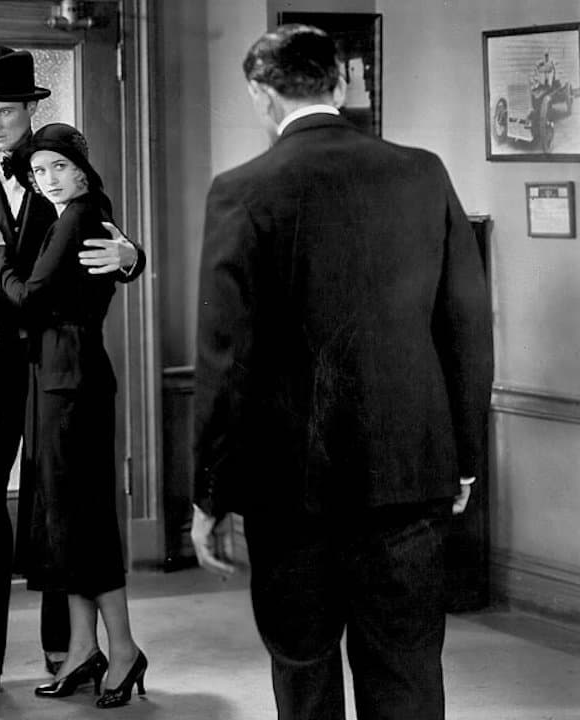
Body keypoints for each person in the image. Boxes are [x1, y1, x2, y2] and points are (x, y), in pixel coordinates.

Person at [191, 25, 492, 720]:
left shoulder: (241, 189)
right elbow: (466, 329)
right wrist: (464, 462)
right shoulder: (423, 173)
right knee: (408, 674)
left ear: (261, 93)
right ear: (342, 81)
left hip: (288, 487)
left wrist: (209, 492)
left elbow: (224, 357)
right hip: (407, 473)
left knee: (304, 675)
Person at [0, 44, 146, 704]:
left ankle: (65, 649)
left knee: (56, 509)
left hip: (54, 372)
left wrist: (131, 256)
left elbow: (109, 239)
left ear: (28, 110)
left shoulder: (58, 173)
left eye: (5, 112)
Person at [0, 122, 148, 709]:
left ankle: (122, 650)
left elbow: (31, 298)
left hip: (71, 380)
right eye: (39, 170)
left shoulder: (79, 215)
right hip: (57, 376)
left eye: (59, 168)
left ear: (82, 171)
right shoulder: (69, 213)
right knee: (67, 519)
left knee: (83, 519)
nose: (47, 179)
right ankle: (82, 649)